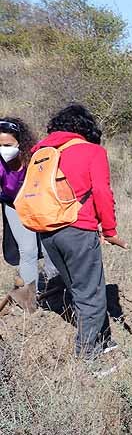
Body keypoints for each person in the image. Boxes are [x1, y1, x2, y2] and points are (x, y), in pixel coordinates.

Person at [31, 105, 126, 359]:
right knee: (92, 295)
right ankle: (88, 360)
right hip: (78, 229)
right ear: (86, 128)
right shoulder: (92, 151)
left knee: (78, 289)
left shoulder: (41, 152)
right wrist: (110, 230)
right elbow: (102, 193)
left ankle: (103, 340)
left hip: (48, 232)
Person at [0, 116, 59, 312]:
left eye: (8, 144)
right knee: (28, 251)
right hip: (13, 205)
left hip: (39, 203)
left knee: (51, 249)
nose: (4, 149)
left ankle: (56, 295)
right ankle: (28, 304)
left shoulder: (35, 156)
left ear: (20, 142)